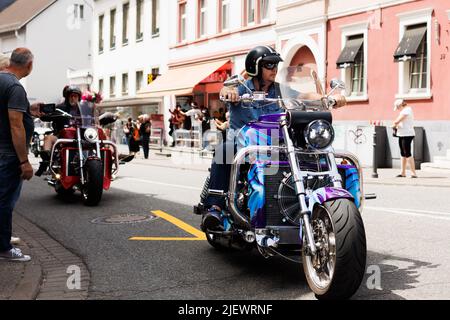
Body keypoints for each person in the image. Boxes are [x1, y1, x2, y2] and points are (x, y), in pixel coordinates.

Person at [201, 45, 347, 230]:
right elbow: (225, 91)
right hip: (242, 143)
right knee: (224, 150)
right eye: (269, 65)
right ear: (255, 67)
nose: (274, 69)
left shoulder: (279, 90)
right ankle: (214, 206)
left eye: (276, 65)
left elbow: (304, 95)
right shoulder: (240, 87)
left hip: (274, 143)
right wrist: (229, 93)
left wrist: (326, 98)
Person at [0, 48, 42, 261]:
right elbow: (16, 125)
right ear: (29, 65)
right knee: (5, 201)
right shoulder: (15, 86)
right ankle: (4, 248)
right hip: (8, 154)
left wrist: (28, 110)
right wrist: (24, 161)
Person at [34, 85, 82, 176]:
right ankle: (45, 162)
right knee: (48, 138)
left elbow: (93, 120)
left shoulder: (83, 109)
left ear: (79, 98)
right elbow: (47, 116)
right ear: (67, 97)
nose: (73, 98)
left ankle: (113, 155)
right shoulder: (60, 108)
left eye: (75, 96)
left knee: (101, 134)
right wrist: (44, 115)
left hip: (80, 137)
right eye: (71, 96)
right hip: (61, 137)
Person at [393, 98, 417, 178]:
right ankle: (402, 172)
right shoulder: (404, 110)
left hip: (407, 134)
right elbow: (402, 122)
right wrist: (397, 125)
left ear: (400, 105)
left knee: (407, 153)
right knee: (403, 153)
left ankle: (413, 173)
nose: (397, 110)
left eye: (397, 107)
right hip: (402, 134)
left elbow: (397, 121)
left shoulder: (407, 110)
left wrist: (395, 124)